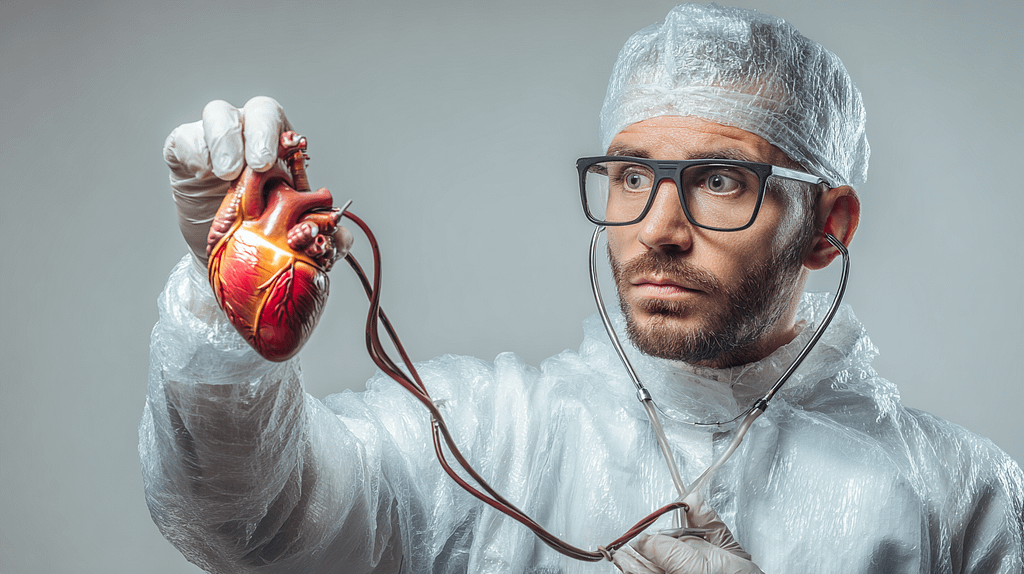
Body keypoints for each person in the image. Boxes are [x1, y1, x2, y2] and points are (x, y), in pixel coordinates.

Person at [140, 4, 1024, 573]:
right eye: (630, 178)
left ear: (828, 227)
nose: (656, 228)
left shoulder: (956, 501)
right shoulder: (488, 439)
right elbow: (255, 522)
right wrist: (226, 313)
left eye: (720, 180)